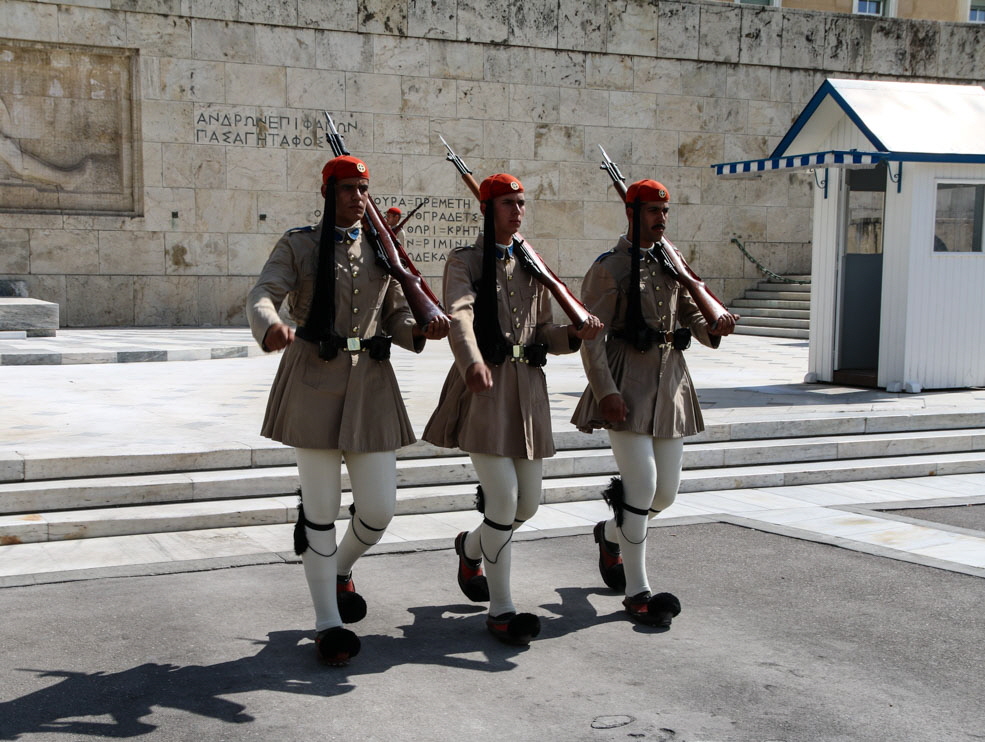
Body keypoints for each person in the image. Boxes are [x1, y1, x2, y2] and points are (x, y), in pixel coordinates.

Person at [247, 155, 448, 666]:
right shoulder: (300, 243)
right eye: (348, 189)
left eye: (364, 189)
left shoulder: (384, 248)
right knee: (319, 513)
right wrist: (269, 325)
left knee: (378, 511)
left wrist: (417, 330)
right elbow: (264, 292)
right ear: (327, 193)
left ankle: (339, 568)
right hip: (313, 379)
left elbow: (397, 314)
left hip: (373, 387)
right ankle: (327, 623)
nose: (358, 197)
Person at [423, 173, 602, 645]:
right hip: (484, 389)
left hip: (528, 392)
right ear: (487, 209)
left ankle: (470, 546)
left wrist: (573, 335)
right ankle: (502, 610)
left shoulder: (531, 264)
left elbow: (542, 332)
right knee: (502, 500)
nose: (517, 211)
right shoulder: (464, 261)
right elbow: (459, 314)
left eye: (521, 204)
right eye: (507, 203)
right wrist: (471, 362)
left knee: (528, 503)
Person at [570, 179, 736, 628]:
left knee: (665, 493)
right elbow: (593, 338)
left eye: (665, 213)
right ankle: (638, 590)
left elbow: (692, 318)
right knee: (641, 486)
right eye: (652, 213)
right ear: (632, 214)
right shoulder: (609, 268)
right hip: (627, 382)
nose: (661, 219)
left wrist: (715, 325)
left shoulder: (672, 263)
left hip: (671, 383)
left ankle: (610, 535)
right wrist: (605, 392)